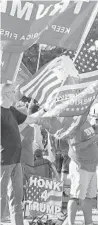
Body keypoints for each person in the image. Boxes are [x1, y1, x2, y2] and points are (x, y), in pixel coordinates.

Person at [1, 83, 46, 225]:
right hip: (3, 161)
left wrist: (45, 109)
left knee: (17, 197)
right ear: (7, 94)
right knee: (1, 197)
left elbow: (30, 119)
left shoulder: (12, 110)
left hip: (16, 161)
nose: (15, 93)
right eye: (13, 91)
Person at [62, 120, 98, 225]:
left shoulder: (85, 121)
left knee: (88, 197)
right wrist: (94, 139)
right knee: (76, 197)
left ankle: (88, 222)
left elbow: (88, 139)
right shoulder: (74, 124)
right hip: (80, 165)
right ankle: (70, 223)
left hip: (91, 166)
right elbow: (75, 147)